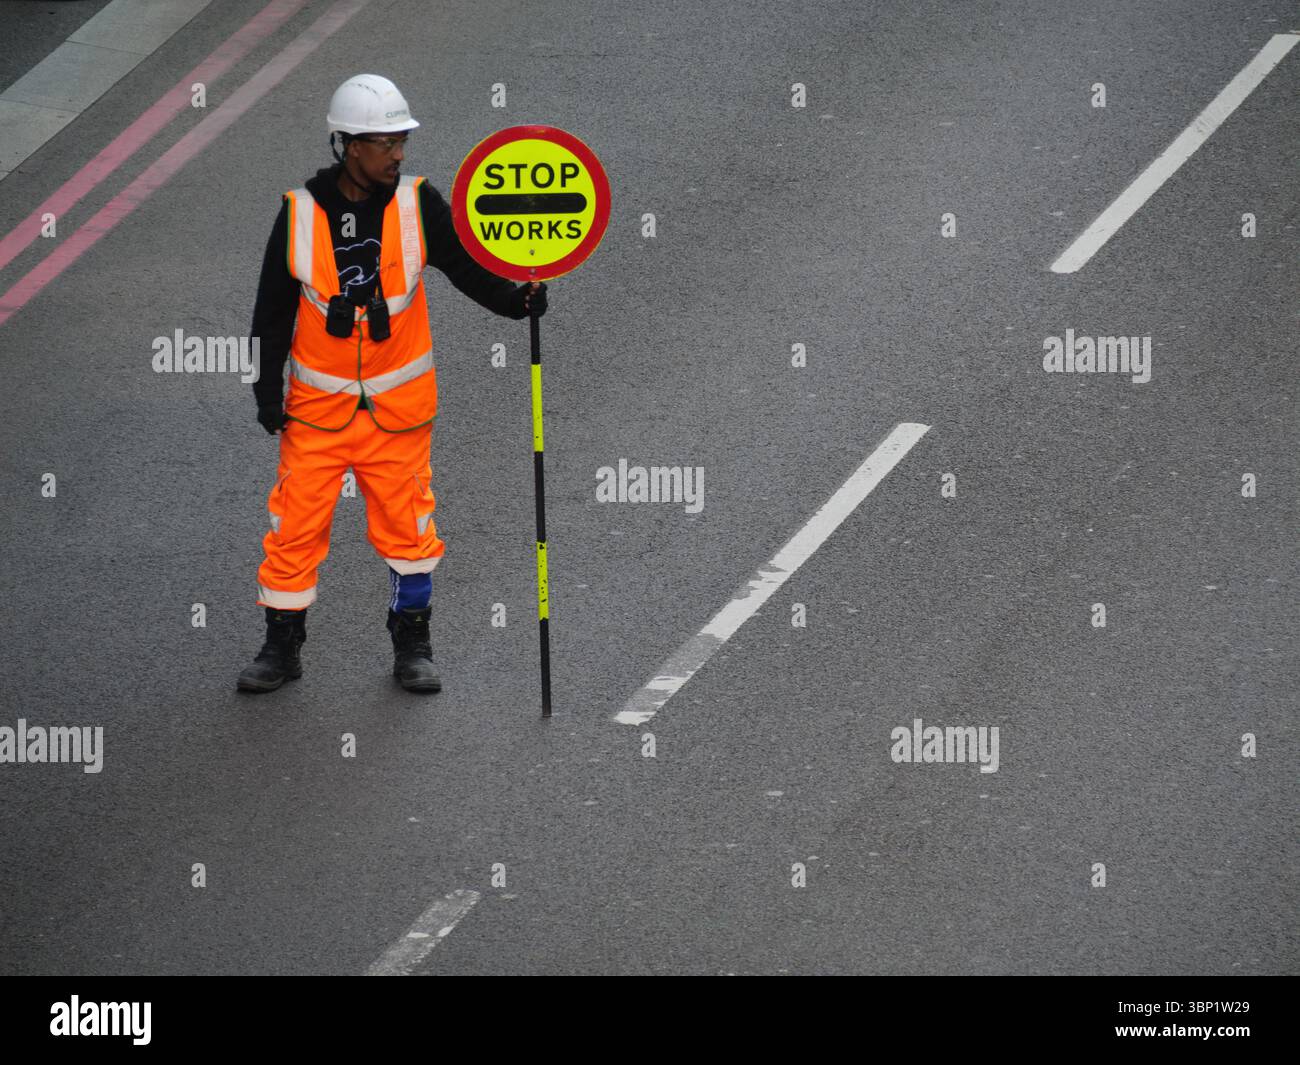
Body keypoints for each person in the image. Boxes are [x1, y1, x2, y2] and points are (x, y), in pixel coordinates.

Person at [237, 73, 546, 695]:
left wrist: (517, 303)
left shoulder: (419, 204)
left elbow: (466, 268)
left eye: (401, 140)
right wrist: (267, 392)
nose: (398, 153)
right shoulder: (298, 212)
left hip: (398, 413)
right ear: (349, 145)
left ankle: (413, 642)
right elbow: (270, 310)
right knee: (294, 531)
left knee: (409, 534)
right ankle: (282, 645)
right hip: (316, 414)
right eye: (386, 142)